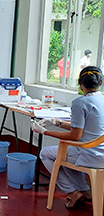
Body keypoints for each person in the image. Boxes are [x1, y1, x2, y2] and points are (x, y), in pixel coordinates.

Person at [35, 66, 104, 208]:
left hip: (89, 154)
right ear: (101, 83)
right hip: (101, 152)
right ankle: (85, 192)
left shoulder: (80, 103)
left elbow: (75, 135)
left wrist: (44, 132)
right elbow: (82, 128)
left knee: (46, 154)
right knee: (64, 156)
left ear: (80, 84)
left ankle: (72, 192)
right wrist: (57, 122)